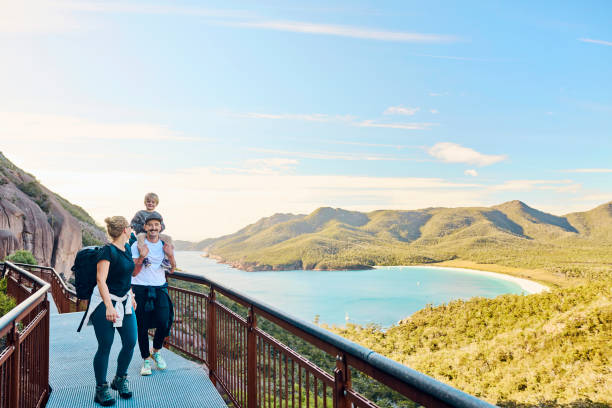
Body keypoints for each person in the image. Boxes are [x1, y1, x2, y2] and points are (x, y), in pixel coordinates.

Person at [80, 216, 137, 406]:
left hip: (124, 300)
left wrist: (132, 295)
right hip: (105, 301)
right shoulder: (107, 251)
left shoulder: (127, 248)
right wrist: (109, 306)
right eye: (130, 227)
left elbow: (126, 276)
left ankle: (120, 380)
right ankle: (101, 389)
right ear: (124, 230)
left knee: (130, 341)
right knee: (105, 345)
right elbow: (101, 280)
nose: (132, 229)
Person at [131, 212, 174, 376]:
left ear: (160, 227)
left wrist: (169, 255)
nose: (154, 228)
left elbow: (172, 268)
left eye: (157, 225)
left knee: (164, 322)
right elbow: (134, 273)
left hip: (159, 288)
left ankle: (156, 351)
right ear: (145, 227)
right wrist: (142, 257)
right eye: (150, 225)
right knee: (141, 326)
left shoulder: (166, 245)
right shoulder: (137, 245)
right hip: (140, 289)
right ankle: (146, 360)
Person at [130, 192, 176, 273]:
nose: (150, 203)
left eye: (153, 202)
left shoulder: (158, 215)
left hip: (154, 234)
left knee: (168, 238)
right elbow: (132, 224)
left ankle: (165, 260)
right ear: (145, 202)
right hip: (142, 233)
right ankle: (145, 259)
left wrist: (154, 230)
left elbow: (162, 226)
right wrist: (144, 227)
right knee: (140, 238)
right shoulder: (140, 213)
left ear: (156, 204)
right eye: (148, 201)